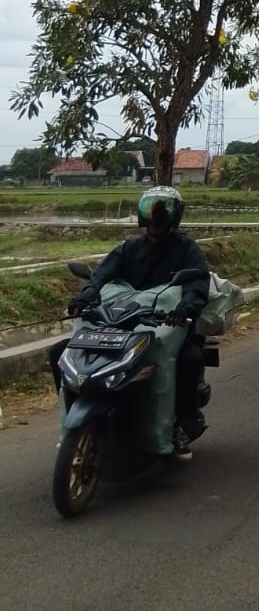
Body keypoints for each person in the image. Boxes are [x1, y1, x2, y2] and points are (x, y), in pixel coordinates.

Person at [69, 184, 210, 457]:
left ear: (174, 216)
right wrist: (84, 296)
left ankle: (180, 424)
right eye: (150, 211)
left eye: (161, 212)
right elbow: (101, 275)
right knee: (61, 352)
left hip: (167, 325)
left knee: (190, 359)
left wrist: (184, 308)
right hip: (122, 323)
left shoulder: (186, 248)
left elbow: (196, 282)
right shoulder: (129, 247)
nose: (155, 219)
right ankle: (76, 420)